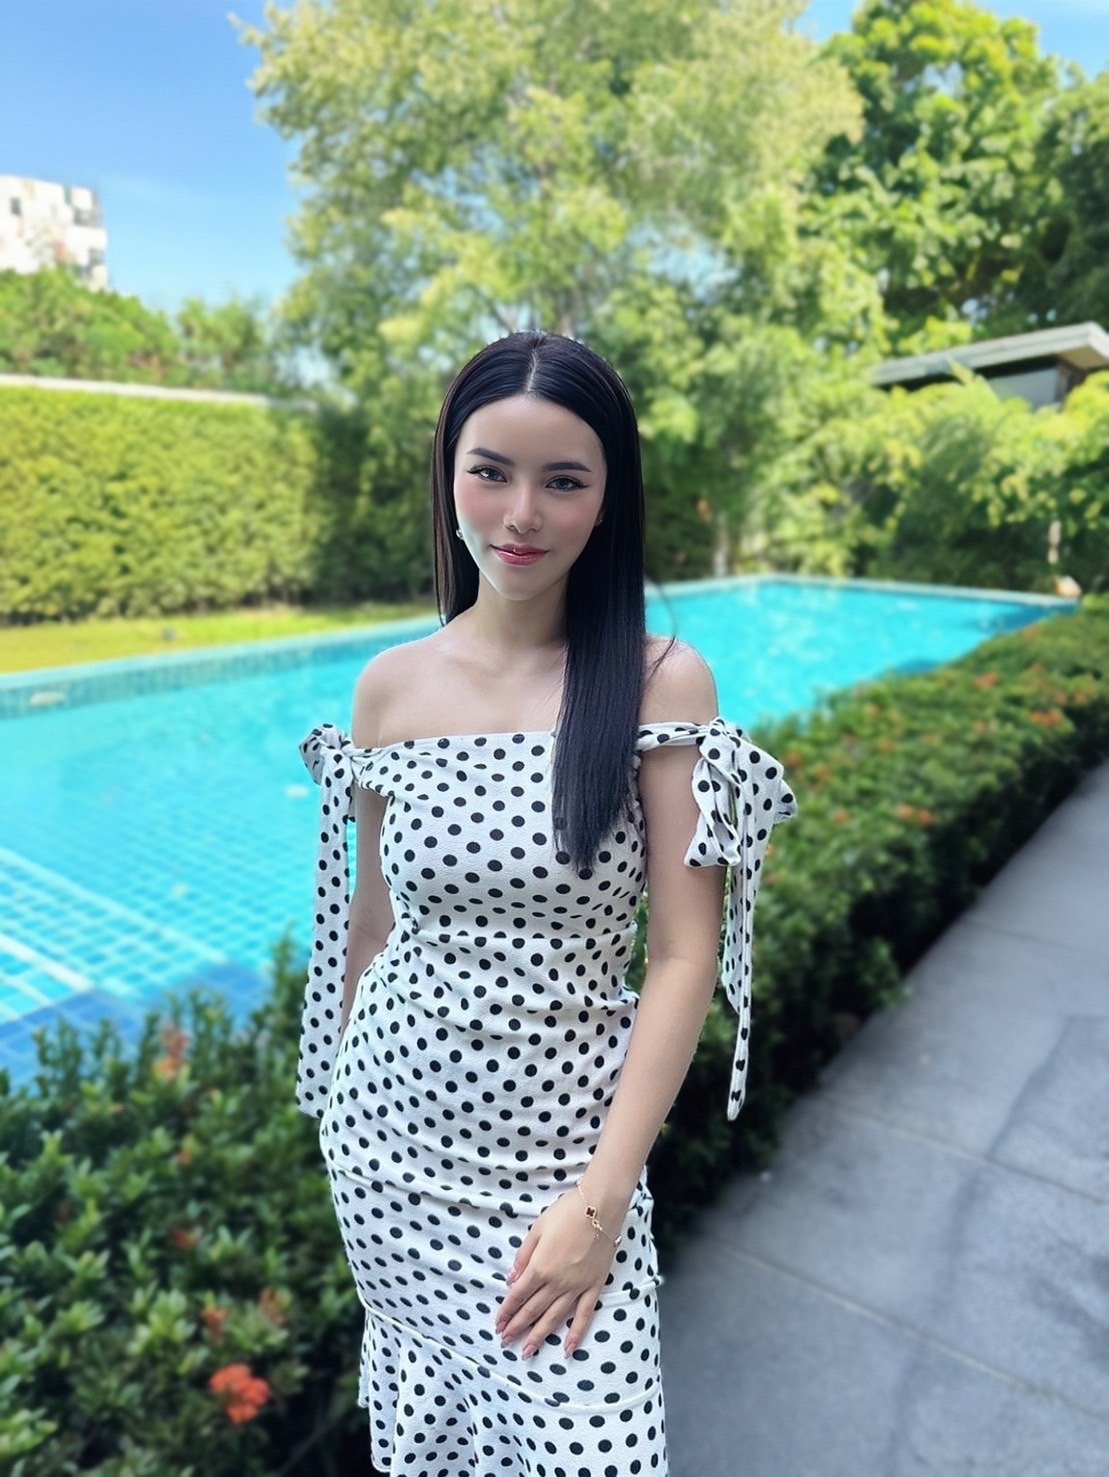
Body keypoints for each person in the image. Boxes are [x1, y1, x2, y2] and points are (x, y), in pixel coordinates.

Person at [297, 329, 798, 1475]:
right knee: (432, 1447)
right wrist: (337, 1116)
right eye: (491, 471)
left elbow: (681, 954)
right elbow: (370, 927)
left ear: (607, 497)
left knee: (593, 1448)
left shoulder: (661, 681)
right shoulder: (388, 689)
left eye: (563, 480)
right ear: (449, 474)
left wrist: (600, 1202)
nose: (520, 513)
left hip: (560, 1178)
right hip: (387, 1153)